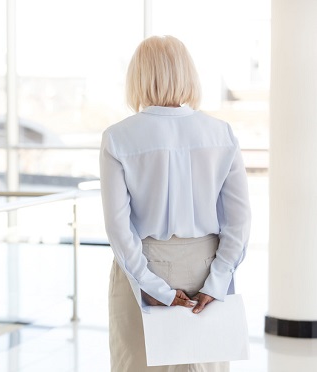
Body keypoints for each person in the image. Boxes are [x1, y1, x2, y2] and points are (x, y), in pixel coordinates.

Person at [99, 36, 251, 371]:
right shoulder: (220, 133)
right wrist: (218, 279)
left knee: (137, 364)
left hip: (143, 264)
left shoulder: (118, 137)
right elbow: (239, 222)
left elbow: (118, 228)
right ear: (188, 74)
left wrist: (149, 286)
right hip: (207, 267)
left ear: (137, 77)